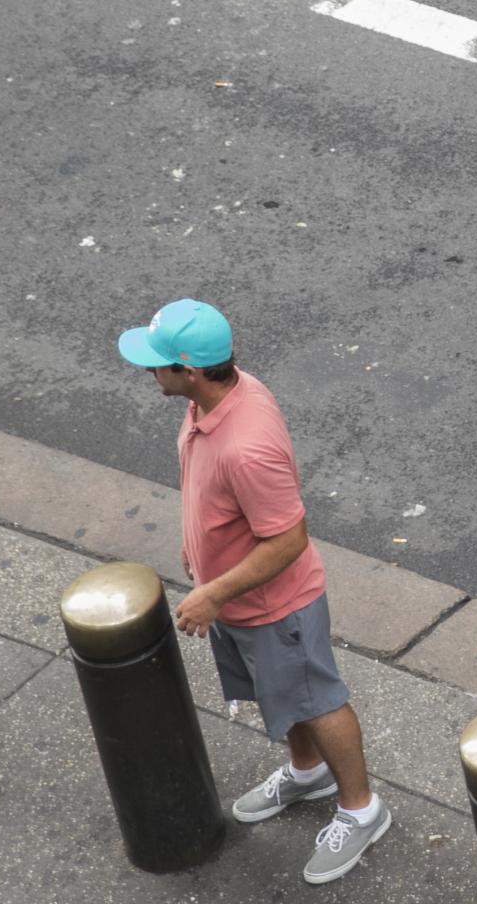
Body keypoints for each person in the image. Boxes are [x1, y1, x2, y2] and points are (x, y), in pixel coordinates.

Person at [117, 298, 389, 886]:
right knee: (282, 695)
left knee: (317, 699)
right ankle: (307, 769)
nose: (149, 372)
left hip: (275, 607)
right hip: (238, 599)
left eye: (157, 364)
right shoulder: (211, 398)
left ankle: (362, 808)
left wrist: (213, 593)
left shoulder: (247, 445)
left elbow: (288, 539)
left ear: (189, 371)